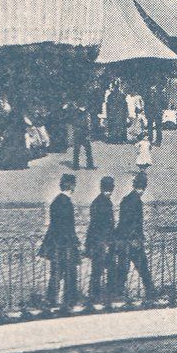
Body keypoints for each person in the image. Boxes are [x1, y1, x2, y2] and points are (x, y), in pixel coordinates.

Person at [40, 174, 81, 308]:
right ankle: (69, 300)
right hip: (65, 244)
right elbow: (68, 226)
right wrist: (74, 241)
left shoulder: (56, 201)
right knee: (70, 271)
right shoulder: (67, 203)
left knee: (56, 273)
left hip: (54, 242)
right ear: (72, 186)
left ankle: (51, 299)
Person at [115, 171, 155, 299]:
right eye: (140, 188)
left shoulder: (126, 200)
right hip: (132, 241)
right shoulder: (136, 202)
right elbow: (132, 223)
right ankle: (150, 291)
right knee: (142, 267)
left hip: (125, 239)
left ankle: (119, 292)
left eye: (142, 188)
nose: (141, 191)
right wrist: (136, 238)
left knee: (124, 267)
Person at [83, 176, 118, 302]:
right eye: (107, 190)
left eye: (110, 190)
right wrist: (105, 243)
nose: (109, 192)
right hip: (101, 243)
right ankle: (97, 295)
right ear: (103, 189)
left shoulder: (103, 202)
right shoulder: (100, 203)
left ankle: (102, 294)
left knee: (106, 269)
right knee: (99, 270)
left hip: (103, 242)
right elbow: (98, 226)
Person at [68, 99, 95, 171]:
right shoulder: (86, 113)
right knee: (88, 149)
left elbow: (73, 122)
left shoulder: (75, 112)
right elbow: (88, 123)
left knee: (76, 149)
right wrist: (89, 131)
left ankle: (75, 165)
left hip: (77, 131)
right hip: (84, 131)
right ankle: (89, 165)